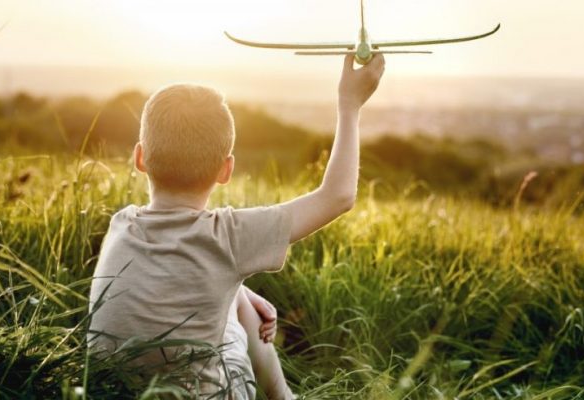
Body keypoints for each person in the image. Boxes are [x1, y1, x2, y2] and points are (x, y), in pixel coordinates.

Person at [88, 53, 385, 399]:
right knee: (235, 299)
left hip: (108, 391)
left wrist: (239, 290)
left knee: (235, 291)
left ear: (140, 158)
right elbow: (337, 196)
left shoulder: (121, 223)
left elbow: (181, 270)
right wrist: (349, 105)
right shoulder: (228, 237)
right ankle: (284, 397)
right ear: (226, 170)